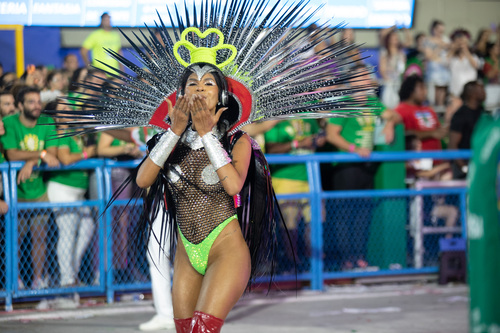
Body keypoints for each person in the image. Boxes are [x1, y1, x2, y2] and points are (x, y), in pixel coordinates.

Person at [325, 68, 400, 270]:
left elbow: (394, 115)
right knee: (344, 212)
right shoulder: (346, 104)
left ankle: (359, 256)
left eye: (368, 76)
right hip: (346, 165)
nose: (368, 79)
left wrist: (389, 124)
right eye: (363, 76)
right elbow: (332, 134)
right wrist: (354, 149)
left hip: (366, 165)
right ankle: (346, 259)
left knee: (363, 212)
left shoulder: (372, 103)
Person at [0, 86, 60, 289]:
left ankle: (37, 280)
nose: (37, 106)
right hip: (14, 191)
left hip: (38, 190)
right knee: (14, 238)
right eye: (31, 102)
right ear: (19, 105)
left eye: (38, 101)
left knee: (40, 237)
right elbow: (12, 155)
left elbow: (52, 154)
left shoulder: (47, 121)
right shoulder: (9, 122)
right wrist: (39, 156)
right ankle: (14, 280)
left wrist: (31, 162)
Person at [46, 100, 96, 287]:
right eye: (64, 109)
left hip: (77, 193)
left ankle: (72, 274)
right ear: (56, 116)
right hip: (62, 189)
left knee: (87, 228)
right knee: (67, 233)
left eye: (69, 107)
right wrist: (86, 155)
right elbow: (65, 158)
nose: (70, 111)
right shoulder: (60, 133)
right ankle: (67, 279)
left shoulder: (75, 132)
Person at [265, 119, 325, 271]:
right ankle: (293, 263)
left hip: (311, 177)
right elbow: (271, 149)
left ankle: (313, 264)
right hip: (285, 179)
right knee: (289, 225)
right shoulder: (277, 123)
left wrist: (319, 139)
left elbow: (319, 140)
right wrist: (297, 144)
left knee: (316, 220)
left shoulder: (310, 119)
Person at [395, 75, 446, 151]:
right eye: (421, 88)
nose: (425, 92)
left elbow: (438, 130)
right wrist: (431, 133)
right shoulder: (400, 111)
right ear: (411, 90)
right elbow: (402, 134)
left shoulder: (429, 109)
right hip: (416, 160)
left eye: (425, 88)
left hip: (437, 159)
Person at [448, 81, 486, 179]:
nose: (484, 92)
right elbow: (452, 145)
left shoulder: (483, 113)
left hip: (481, 166)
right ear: (471, 93)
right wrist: (465, 168)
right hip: (463, 170)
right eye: (480, 89)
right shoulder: (460, 115)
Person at [423, 20, 450, 112]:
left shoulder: (446, 40)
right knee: (432, 93)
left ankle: (440, 109)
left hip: (444, 70)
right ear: (433, 29)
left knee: (442, 89)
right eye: (439, 30)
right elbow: (429, 56)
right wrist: (439, 48)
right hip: (433, 71)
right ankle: (432, 111)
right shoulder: (427, 40)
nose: (440, 33)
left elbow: (448, 55)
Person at [379, 28, 407, 109]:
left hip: (398, 82)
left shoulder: (401, 53)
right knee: (387, 104)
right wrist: (388, 80)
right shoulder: (385, 52)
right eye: (393, 38)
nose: (395, 40)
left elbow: (402, 69)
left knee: (398, 105)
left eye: (397, 38)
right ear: (389, 39)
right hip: (388, 83)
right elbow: (382, 70)